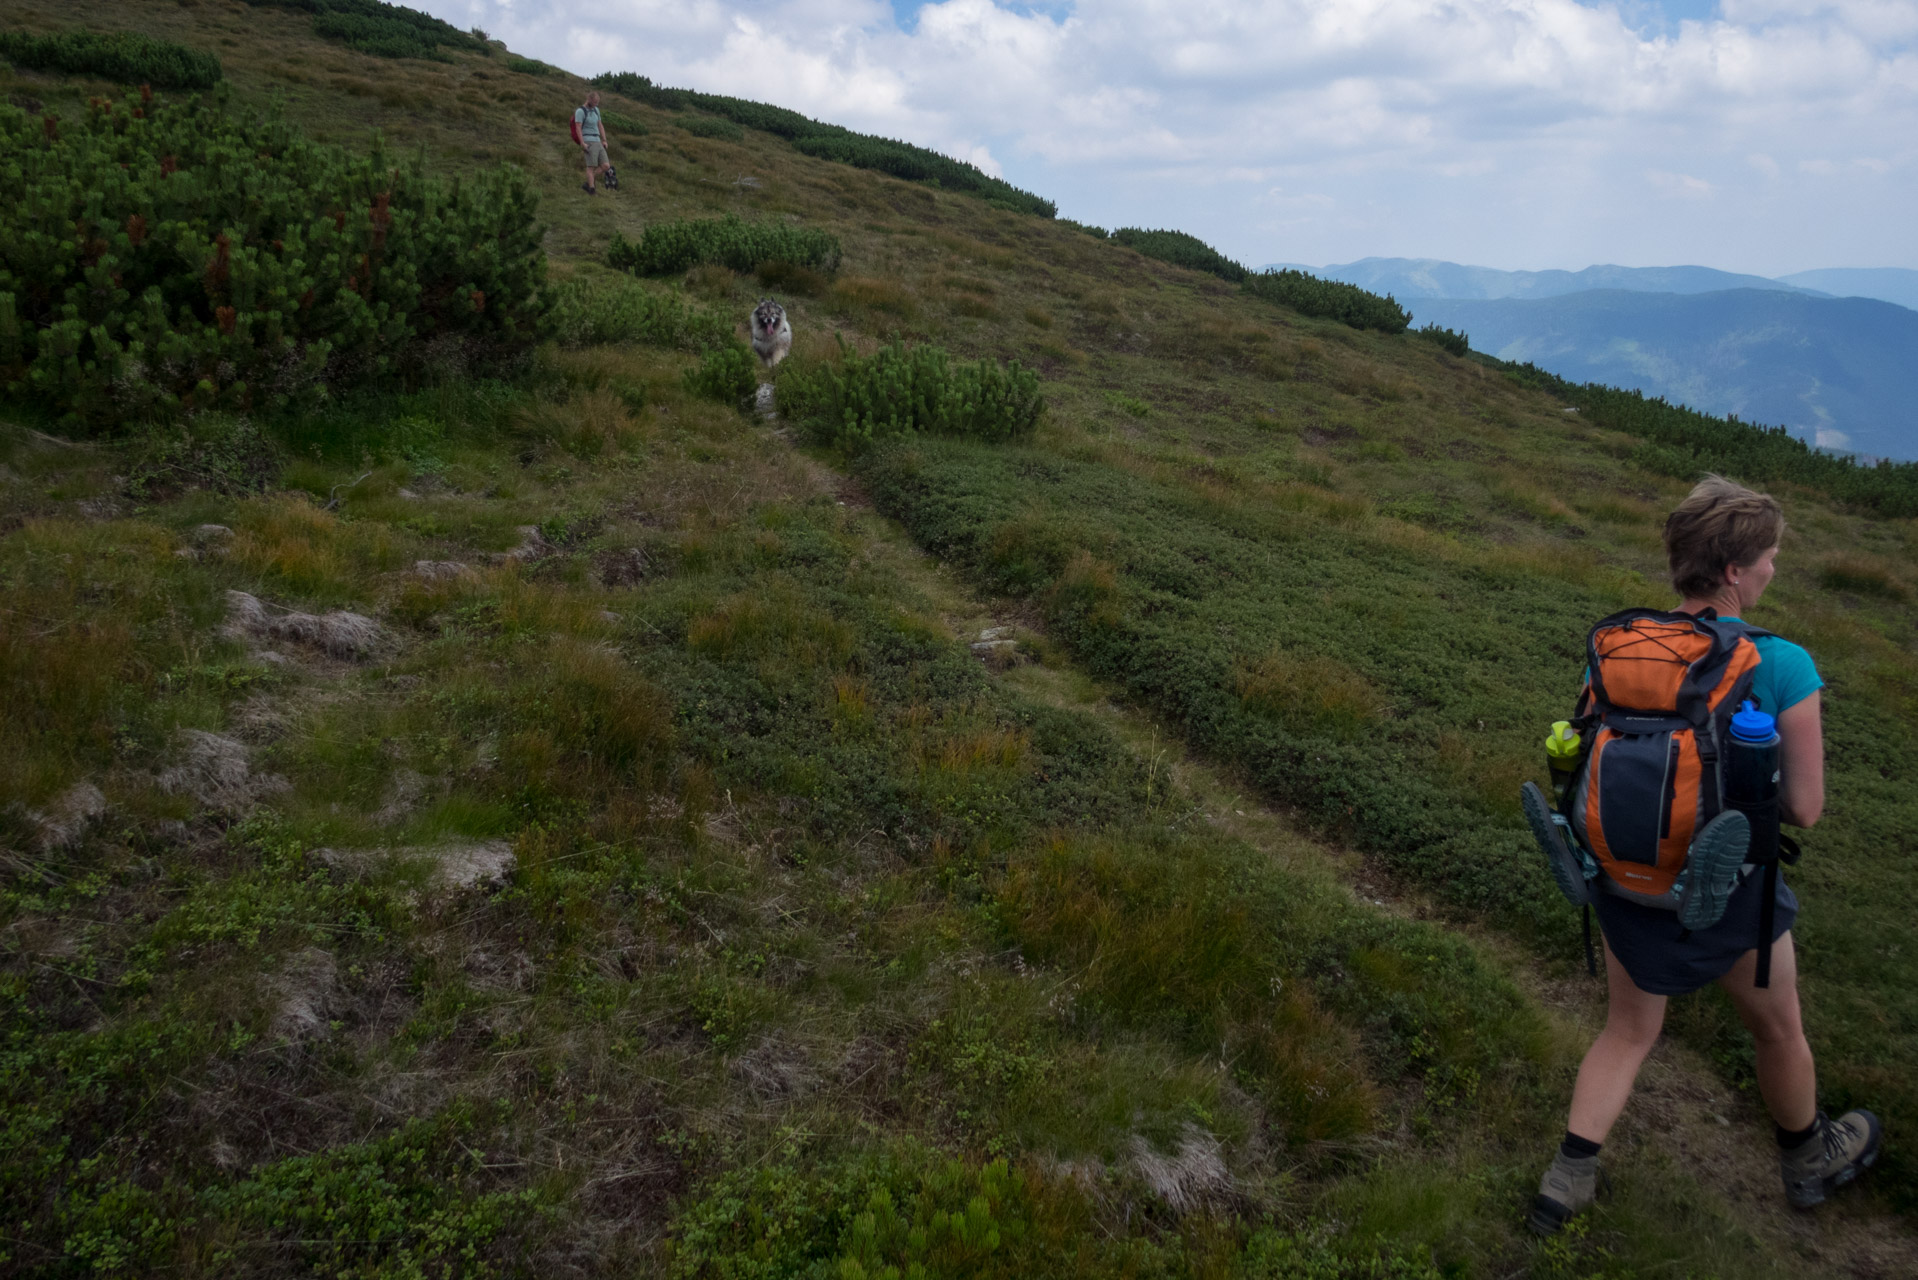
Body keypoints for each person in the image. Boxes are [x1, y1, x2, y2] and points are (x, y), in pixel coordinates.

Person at [1530, 475, 1881, 1235]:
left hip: (1627, 878)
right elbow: (1805, 810)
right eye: (1769, 559)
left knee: (1627, 1031)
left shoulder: (1622, 648)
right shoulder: (1781, 661)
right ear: (1732, 571)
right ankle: (1807, 1158)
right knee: (1779, 1029)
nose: (1773, 571)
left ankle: (1565, 1180)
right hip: (1728, 892)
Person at [573, 91, 613, 195]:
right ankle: (591, 190)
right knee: (590, 167)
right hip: (588, 141)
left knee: (606, 165)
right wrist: (582, 143)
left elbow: (600, 125)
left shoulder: (596, 110)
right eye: (595, 102)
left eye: (597, 102)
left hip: (597, 140)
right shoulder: (580, 111)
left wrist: (604, 140)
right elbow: (578, 128)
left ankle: (588, 182)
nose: (596, 104)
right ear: (589, 100)